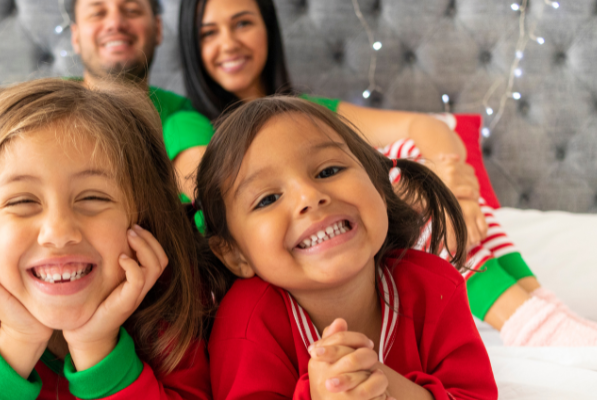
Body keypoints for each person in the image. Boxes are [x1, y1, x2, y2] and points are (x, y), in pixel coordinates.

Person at [179, 0, 597, 345]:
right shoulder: (202, 143)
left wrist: (455, 187)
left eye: (243, 23)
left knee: (409, 159)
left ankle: (539, 306)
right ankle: (534, 322)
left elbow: (429, 127)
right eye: (208, 33)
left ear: (267, 29)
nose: (229, 43)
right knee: (403, 181)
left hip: (379, 219)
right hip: (335, 243)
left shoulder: (309, 113)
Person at [0, 78, 217, 399]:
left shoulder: (169, 307)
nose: (59, 233)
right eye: (22, 202)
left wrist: (99, 350)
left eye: (92, 198)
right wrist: (16, 343)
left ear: (142, 218)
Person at [196, 96, 498, 399]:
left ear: (379, 185)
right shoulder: (246, 322)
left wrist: (382, 382)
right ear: (235, 254)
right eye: (267, 199)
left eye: (328, 171)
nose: (309, 197)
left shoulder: (435, 285)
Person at [66, 0, 214, 195]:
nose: (115, 23)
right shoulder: (39, 106)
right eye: (97, 13)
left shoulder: (181, 117)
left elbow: (215, 202)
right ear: (75, 37)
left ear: (158, 29)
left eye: (132, 10)